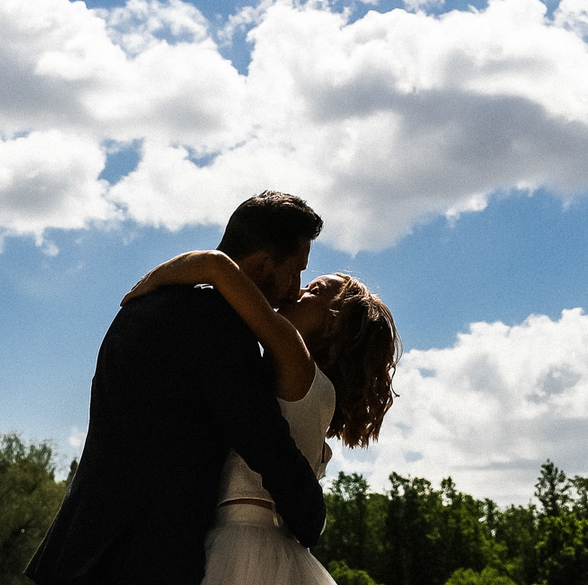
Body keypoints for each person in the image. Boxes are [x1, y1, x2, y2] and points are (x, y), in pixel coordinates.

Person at [26, 193, 330, 585]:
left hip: (77, 550)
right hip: (143, 559)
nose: (295, 289)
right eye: (295, 272)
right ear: (260, 263)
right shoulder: (220, 328)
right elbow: (264, 438)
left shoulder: (142, 307)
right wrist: (311, 518)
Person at [119, 250, 398, 585]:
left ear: (336, 327)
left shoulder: (298, 363)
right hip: (266, 546)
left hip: (243, 547)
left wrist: (150, 282)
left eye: (316, 291)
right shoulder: (305, 385)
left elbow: (217, 266)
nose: (298, 293)